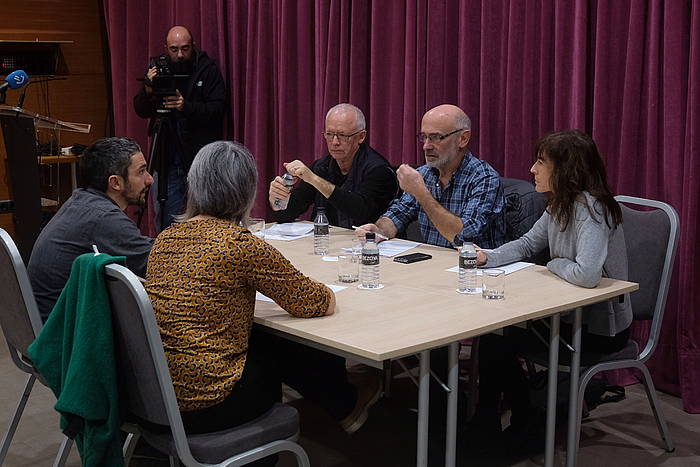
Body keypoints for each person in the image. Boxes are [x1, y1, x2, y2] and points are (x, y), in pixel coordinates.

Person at [145, 141, 381, 445]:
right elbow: (317, 301)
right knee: (280, 342)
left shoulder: (166, 238)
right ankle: (344, 403)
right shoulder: (241, 244)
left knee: (265, 335)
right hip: (209, 400)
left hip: (155, 391)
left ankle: (343, 402)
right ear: (246, 190)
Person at [469, 129, 632, 454]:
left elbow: (586, 275)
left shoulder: (592, 210)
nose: (532, 169)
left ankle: (509, 419)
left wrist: (555, 263)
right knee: (493, 335)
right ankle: (502, 418)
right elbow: (529, 243)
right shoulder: (560, 203)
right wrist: (488, 257)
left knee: (497, 338)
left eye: (541, 162)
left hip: (599, 328)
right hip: (569, 315)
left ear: (565, 169)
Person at [28, 137, 154, 322]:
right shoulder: (104, 218)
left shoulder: (80, 201)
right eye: (141, 172)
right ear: (115, 183)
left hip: (45, 329)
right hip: (64, 340)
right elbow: (160, 263)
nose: (149, 179)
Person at [356, 104, 506, 248]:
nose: (426, 146)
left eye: (436, 137)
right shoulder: (425, 173)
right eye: (424, 137)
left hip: (474, 268)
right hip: (434, 265)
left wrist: (421, 193)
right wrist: (379, 231)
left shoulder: (484, 178)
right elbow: (398, 215)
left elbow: (465, 236)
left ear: (463, 139)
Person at [133, 25, 226, 229]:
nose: (180, 55)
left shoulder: (206, 69)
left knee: (205, 213)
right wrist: (149, 89)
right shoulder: (157, 70)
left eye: (185, 48)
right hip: (167, 153)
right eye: (174, 49)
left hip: (199, 155)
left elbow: (218, 108)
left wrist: (186, 107)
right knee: (167, 215)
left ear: (194, 46)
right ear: (165, 48)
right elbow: (141, 109)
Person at [269, 103, 398, 228]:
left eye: (342, 135)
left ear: (361, 136)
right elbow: (288, 213)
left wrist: (314, 180)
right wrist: (278, 200)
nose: (335, 142)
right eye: (329, 134)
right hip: (327, 243)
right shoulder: (321, 167)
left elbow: (361, 212)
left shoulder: (379, 170)